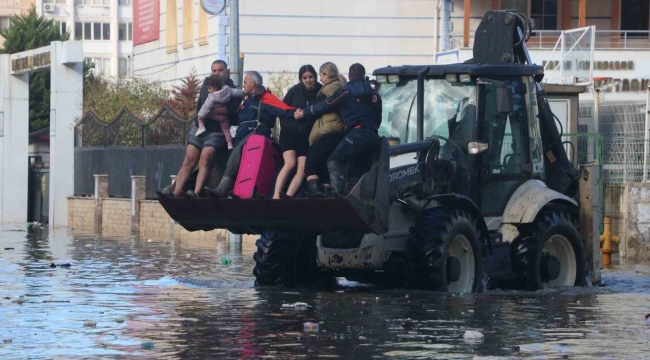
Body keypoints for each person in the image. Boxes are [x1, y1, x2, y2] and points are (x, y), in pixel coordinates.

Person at [295, 63, 382, 196]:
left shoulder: (346, 92)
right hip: (373, 135)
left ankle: (338, 194)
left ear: (349, 76)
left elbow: (325, 105)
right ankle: (353, 192)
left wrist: (304, 113)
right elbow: (378, 118)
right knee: (356, 162)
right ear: (364, 75)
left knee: (334, 159)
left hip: (356, 132)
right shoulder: (375, 94)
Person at [160, 60, 240, 198]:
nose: (217, 73)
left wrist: (210, 110)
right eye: (214, 70)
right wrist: (214, 111)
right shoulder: (206, 86)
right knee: (189, 159)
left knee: (205, 158)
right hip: (200, 129)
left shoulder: (231, 89)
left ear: (227, 71)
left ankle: (196, 193)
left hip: (217, 132)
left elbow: (230, 110)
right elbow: (201, 109)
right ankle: (175, 192)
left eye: (220, 70)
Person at [210, 71, 296, 198]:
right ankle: (216, 187)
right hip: (241, 135)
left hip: (257, 134)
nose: (243, 85)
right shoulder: (246, 100)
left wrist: (300, 113)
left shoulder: (267, 98)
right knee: (221, 149)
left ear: (253, 84)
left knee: (237, 151)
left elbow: (285, 110)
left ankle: (223, 188)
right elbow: (236, 119)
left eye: (245, 82)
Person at [273, 65, 322, 199]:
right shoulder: (294, 91)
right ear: (301, 79)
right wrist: (292, 117)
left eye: (310, 77)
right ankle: (276, 195)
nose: (308, 80)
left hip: (306, 135)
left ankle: (288, 196)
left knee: (302, 169)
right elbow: (282, 110)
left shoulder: (320, 92)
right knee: (290, 163)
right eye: (304, 78)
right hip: (290, 133)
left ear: (315, 77)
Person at [303, 62, 347, 197]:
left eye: (320, 75)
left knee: (310, 163)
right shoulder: (341, 86)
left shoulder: (328, 89)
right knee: (323, 165)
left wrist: (302, 113)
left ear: (326, 75)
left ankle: (315, 193)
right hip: (337, 132)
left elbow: (318, 107)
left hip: (327, 131)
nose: (320, 79)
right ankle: (327, 195)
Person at [195, 76, 245, 149]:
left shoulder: (212, 97)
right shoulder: (227, 90)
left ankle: (201, 127)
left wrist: (200, 116)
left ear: (215, 87)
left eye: (209, 88)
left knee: (201, 116)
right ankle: (230, 143)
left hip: (215, 116)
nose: (208, 90)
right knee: (226, 130)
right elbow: (236, 92)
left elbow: (206, 107)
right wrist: (243, 94)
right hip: (223, 118)